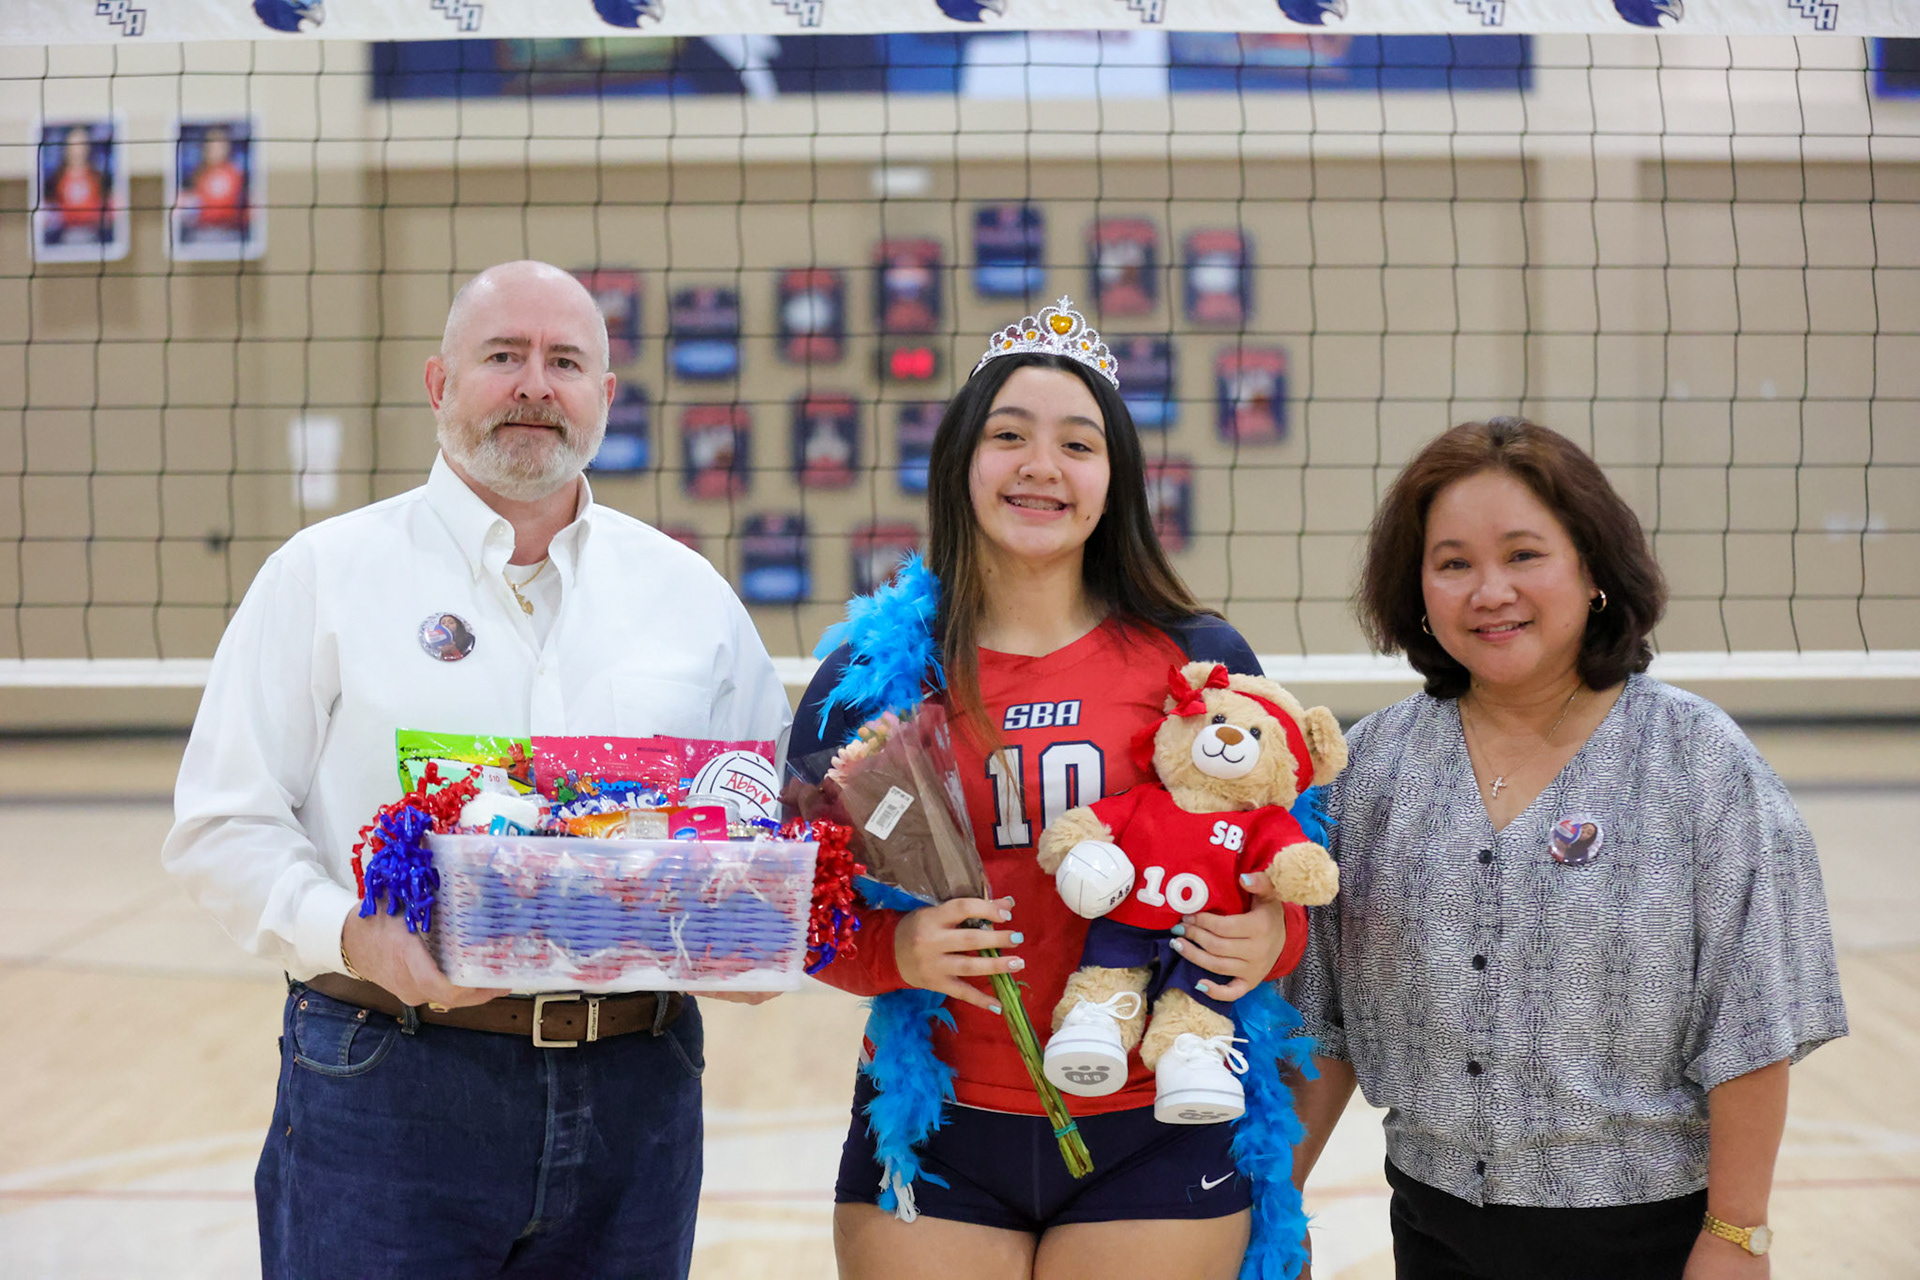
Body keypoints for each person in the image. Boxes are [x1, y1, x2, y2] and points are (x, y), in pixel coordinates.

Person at [163, 260, 792, 1279]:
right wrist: (352, 931)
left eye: (565, 361)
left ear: (605, 396)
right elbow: (219, 822)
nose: (535, 384)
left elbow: (760, 815)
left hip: (641, 1087)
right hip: (388, 1076)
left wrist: (753, 928)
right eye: (504, 356)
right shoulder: (324, 575)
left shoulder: (689, 594)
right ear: (439, 383)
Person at [792, 298, 1309, 1280]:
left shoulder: (1199, 660)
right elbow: (792, 904)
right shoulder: (868, 672)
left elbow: (1280, 871)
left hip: (1162, 1121)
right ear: (961, 463)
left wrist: (1272, 934)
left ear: (1114, 480)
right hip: (938, 1125)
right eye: (1008, 435)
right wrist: (889, 947)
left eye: (1077, 443)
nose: (1040, 466)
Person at [1284, 418, 1849, 1280]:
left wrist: (1738, 1235)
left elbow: (1753, 1024)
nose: (1489, 591)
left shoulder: (1699, 761)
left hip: (1645, 1237)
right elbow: (1321, 1023)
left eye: (1522, 554)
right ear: (1419, 590)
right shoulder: (1373, 768)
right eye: (1453, 563)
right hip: (1432, 1229)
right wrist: (1262, 1210)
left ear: (1592, 569)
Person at [47, 124, 109, 243]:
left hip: (94, 234)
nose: (78, 149)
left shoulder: (99, 177)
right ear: (66, 148)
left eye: (82, 144)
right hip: (63, 235)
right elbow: (50, 212)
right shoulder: (55, 179)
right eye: (74, 145)